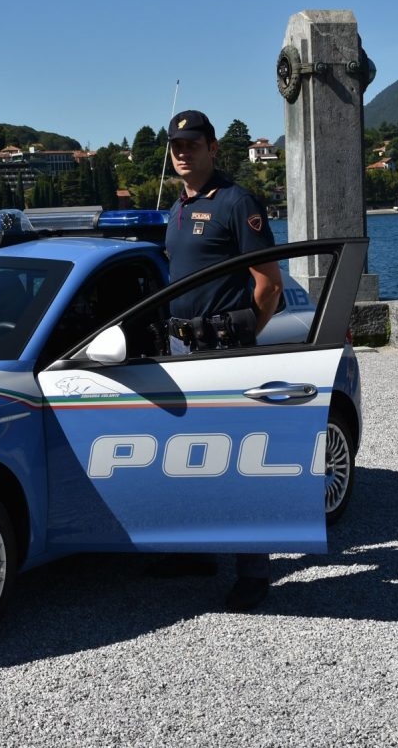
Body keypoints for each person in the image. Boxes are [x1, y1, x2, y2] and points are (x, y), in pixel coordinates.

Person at [161, 109, 284, 613]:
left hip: (225, 350)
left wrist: (242, 335)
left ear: (214, 148)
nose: (183, 152)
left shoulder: (237, 203)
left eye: (192, 144)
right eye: (176, 146)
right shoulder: (178, 207)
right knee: (191, 456)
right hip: (180, 350)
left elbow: (269, 284)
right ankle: (196, 552)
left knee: (238, 461)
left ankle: (254, 572)